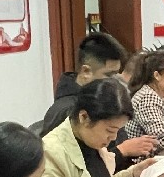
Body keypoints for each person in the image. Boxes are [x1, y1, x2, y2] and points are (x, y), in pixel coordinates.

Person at [34, 78, 155, 177]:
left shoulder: (91, 140)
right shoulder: (51, 152)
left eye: (117, 130)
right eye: (110, 130)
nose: (114, 138)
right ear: (84, 117)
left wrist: (132, 174)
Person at [40, 33, 155, 161]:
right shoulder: (65, 112)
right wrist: (122, 151)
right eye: (109, 75)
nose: (115, 81)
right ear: (86, 72)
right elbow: (83, 165)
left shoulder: (105, 99)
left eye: (116, 74)